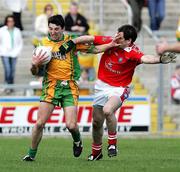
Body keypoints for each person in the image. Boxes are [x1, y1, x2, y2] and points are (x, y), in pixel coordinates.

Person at [59, 24, 177, 161]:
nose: (116, 38)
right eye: (117, 34)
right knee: (96, 123)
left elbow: (145, 58)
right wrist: (72, 42)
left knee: (108, 110)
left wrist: (160, 59)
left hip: (119, 88)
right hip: (101, 86)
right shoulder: (111, 41)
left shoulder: (132, 51)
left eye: (120, 37)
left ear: (129, 41)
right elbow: (89, 37)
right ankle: (96, 153)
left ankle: (112, 144)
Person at [22, 14, 121, 161]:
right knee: (39, 123)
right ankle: (31, 155)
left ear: (63, 29)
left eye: (56, 29)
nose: (53, 32)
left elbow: (94, 50)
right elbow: (34, 72)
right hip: (51, 87)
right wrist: (34, 64)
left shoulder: (71, 41)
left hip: (69, 87)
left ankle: (77, 141)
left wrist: (111, 45)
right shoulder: (42, 44)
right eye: (50, 29)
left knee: (71, 125)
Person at [0, 15, 23, 94]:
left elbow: (20, 42)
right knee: (8, 70)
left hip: (14, 53)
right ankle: (8, 86)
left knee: (12, 70)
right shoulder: (2, 30)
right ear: (6, 22)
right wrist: (1, 50)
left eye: (12, 21)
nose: (10, 23)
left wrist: (18, 51)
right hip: (4, 53)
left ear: (14, 22)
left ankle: (10, 86)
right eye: (9, 21)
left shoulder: (17, 30)